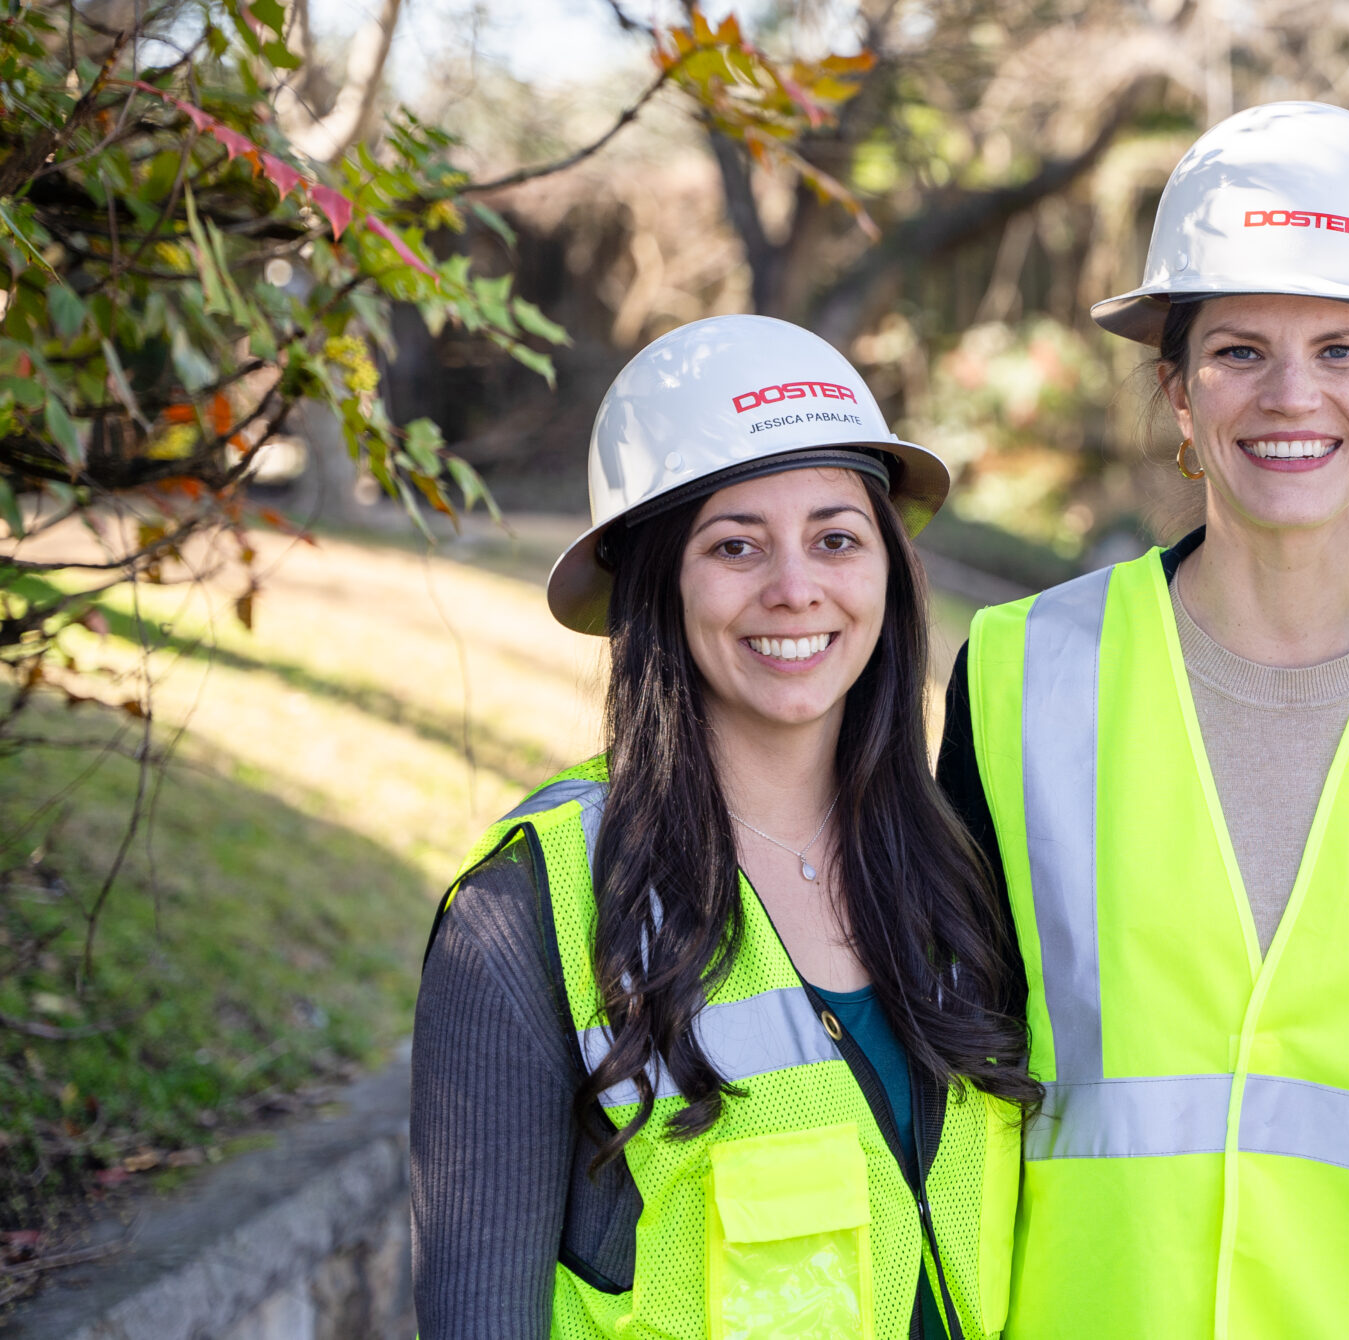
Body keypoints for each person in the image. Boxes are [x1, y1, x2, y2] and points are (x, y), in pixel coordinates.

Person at [933, 102, 1349, 1338]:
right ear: (1176, 389)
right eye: (1238, 351)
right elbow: (953, 1067)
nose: (1292, 395)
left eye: (1340, 350)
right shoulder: (1022, 673)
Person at [410, 314, 1036, 1340]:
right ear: (654, 580)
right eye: (735, 545)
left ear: (887, 568)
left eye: (836, 538)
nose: (794, 589)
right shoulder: (531, 907)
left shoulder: (952, 869)